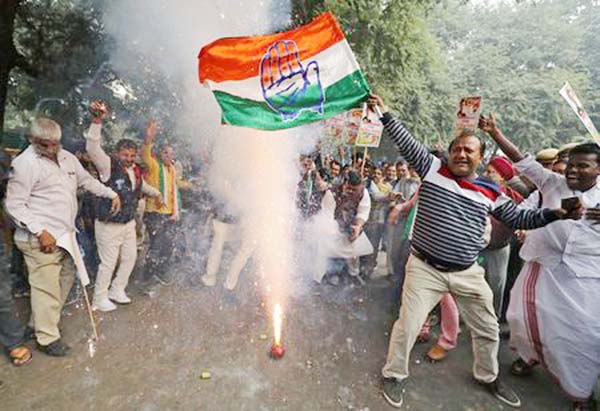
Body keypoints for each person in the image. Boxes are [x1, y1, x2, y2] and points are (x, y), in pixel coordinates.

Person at [368, 95, 576, 409]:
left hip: (467, 272)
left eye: (469, 150)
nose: (462, 154)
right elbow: (406, 140)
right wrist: (384, 113)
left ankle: (488, 376)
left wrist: (555, 213)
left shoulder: (491, 191)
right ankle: (394, 375)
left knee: (488, 328)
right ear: (449, 154)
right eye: (457, 149)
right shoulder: (432, 169)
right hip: (425, 268)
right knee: (408, 325)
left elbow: (521, 217)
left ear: (479, 158)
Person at [480, 113, 600, 411]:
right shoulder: (551, 183)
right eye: (571, 165)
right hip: (542, 267)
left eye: (582, 165)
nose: (573, 171)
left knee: (583, 335)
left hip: (584, 279)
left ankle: (580, 392)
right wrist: (495, 132)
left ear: (598, 169)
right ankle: (530, 356)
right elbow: (521, 160)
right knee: (522, 319)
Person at [5, 118, 120, 356]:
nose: (50, 149)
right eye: (44, 145)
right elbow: (15, 205)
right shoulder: (24, 164)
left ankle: (38, 323)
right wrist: (40, 230)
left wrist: (110, 193)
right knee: (46, 287)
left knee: (66, 277)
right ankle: (47, 338)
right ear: (31, 140)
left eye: (54, 144)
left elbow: (86, 181)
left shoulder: (67, 157)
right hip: (40, 239)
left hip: (65, 235)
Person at [85, 101, 161, 311]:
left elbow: (141, 186)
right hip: (109, 223)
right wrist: (97, 120)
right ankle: (99, 299)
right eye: (125, 155)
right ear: (118, 153)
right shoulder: (107, 165)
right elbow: (92, 147)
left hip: (128, 222)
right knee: (108, 263)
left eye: (131, 155)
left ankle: (117, 290)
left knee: (130, 258)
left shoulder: (135, 169)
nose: (128, 159)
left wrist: (157, 193)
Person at [141, 120, 189, 289]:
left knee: (168, 245)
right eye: (167, 153)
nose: (170, 157)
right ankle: (147, 278)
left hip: (170, 214)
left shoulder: (171, 170)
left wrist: (193, 186)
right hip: (154, 213)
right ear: (160, 154)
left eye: (172, 154)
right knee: (155, 245)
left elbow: (178, 184)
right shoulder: (154, 165)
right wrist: (149, 138)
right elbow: (145, 154)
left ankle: (160, 273)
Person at [361, 167, 393, 278]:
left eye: (379, 173)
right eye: (374, 173)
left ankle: (370, 266)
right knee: (369, 244)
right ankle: (366, 267)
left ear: (382, 175)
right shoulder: (368, 185)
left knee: (375, 245)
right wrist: (389, 197)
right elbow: (376, 197)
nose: (376, 175)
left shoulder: (388, 187)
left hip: (382, 220)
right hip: (370, 219)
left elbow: (391, 201)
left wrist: (391, 199)